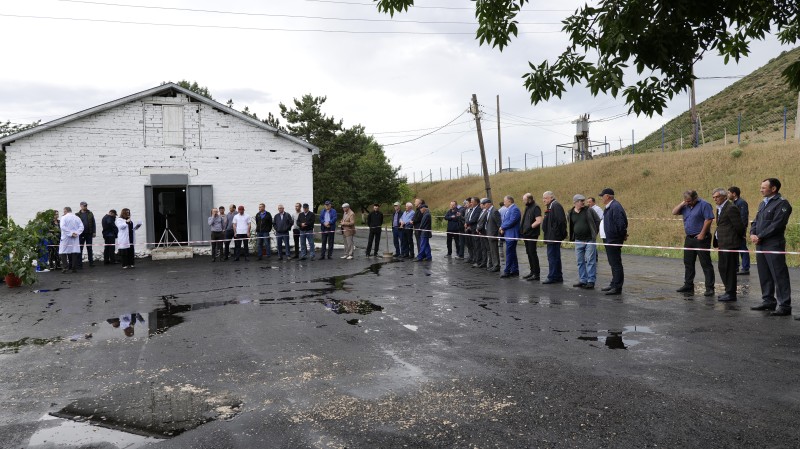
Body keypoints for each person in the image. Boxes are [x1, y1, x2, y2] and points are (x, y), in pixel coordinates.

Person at [749, 178, 793, 317]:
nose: (761, 190)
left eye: (764, 187)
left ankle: (784, 305)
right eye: (761, 187)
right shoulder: (763, 203)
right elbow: (756, 220)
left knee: (779, 274)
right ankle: (768, 301)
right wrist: (752, 233)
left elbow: (777, 224)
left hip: (773, 243)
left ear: (773, 189)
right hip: (761, 243)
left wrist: (760, 235)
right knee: (764, 273)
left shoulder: (782, 204)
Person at [673, 190, 715, 296]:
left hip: (702, 238)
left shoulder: (704, 205)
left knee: (705, 263)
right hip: (689, 238)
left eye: (690, 201)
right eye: (686, 201)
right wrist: (683, 203)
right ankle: (688, 285)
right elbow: (674, 212)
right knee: (688, 262)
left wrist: (702, 234)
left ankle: (710, 288)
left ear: (696, 198)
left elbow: (709, 219)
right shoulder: (685, 205)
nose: (688, 203)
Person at [711, 188, 744, 302]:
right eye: (714, 197)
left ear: (724, 196)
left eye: (717, 197)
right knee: (722, 268)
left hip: (730, 244)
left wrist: (738, 239)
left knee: (729, 269)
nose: (715, 199)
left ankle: (731, 293)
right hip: (722, 243)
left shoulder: (730, 208)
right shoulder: (719, 208)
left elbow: (739, 226)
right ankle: (728, 290)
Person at [568, 194, 601, 289]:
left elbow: (598, 221)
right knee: (580, 261)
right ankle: (583, 280)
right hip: (578, 240)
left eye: (583, 200)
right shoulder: (570, 213)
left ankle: (591, 281)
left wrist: (594, 233)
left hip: (589, 240)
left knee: (590, 261)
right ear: (575, 202)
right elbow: (571, 225)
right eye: (581, 201)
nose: (583, 202)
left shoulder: (589, 210)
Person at [598, 188, 628, 295]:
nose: (601, 198)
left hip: (613, 239)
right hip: (608, 238)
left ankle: (617, 287)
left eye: (602, 196)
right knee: (612, 263)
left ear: (608, 196)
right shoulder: (610, 206)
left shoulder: (615, 206)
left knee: (615, 263)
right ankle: (614, 283)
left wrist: (621, 236)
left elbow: (621, 224)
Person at [541, 191, 567, 284]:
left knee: (553, 257)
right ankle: (557, 276)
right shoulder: (551, 206)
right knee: (554, 257)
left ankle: (552, 276)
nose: (543, 200)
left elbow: (561, 221)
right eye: (543, 198)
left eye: (545, 198)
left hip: (553, 237)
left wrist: (558, 234)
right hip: (551, 236)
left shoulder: (555, 206)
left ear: (551, 198)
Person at [728, 186, 750, 275]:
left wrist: (742, 231)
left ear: (734, 194)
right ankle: (736, 267)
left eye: (729, 193)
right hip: (733, 231)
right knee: (735, 249)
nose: (727, 195)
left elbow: (743, 218)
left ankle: (745, 268)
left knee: (742, 248)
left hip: (740, 231)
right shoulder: (732, 203)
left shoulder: (742, 203)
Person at [520, 193, 543, 281]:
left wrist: (529, 228)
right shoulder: (527, 207)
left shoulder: (536, 207)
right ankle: (532, 272)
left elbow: (539, 221)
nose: (523, 201)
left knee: (532, 253)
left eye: (524, 200)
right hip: (526, 234)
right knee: (529, 253)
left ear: (529, 200)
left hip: (532, 234)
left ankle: (536, 274)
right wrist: (522, 230)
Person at [499, 195, 521, 278]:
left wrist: (502, 227)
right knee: (512, 253)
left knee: (509, 253)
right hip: (508, 234)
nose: (504, 203)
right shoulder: (509, 209)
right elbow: (506, 220)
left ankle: (507, 271)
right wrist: (502, 227)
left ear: (509, 201)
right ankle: (514, 270)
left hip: (512, 234)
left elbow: (512, 221)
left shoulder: (515, 209)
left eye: (505, 201)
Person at [59, 206, 84, 273]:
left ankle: (65, 267)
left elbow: (62, 227)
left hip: (66, 237)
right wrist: (76, 233)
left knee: (62, 251)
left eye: (64, 211)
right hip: (75, 237)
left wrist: (70, 233)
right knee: (74, 251)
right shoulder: (77, 218)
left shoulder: (63, 217)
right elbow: (81, 227)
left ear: (66, 211)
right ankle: (74, 268)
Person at [76, 201, 96, 268]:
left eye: (86, 206)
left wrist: (94, 232)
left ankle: (91, 262)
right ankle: (79, 264)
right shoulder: (77, 214)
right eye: (84, 206)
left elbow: (93, 223)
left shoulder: (90, 213)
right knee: (80, 248)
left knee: (89, 248)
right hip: (81, 234)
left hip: (89, 233)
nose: (85, 207)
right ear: (81, 206)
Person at [484, 198, 502, 273]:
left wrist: (498, 235)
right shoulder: (488, 211)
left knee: (494, 250)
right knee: (492, 250)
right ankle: (494, 265)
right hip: (489, 233)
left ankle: (496, 265)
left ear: (489, 203)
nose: (484, 206)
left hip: (493, 234)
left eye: (485, 204)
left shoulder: (494, 211)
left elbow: (499, 224)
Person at [473, 199, 489, 269]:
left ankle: (486, 262)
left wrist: (479, 229)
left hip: (484, 232)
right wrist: (478, 228)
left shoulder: (486, 212)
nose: (480, 205)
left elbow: (484, 222)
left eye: (482, 204)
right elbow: (479, 222)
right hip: (480, 232)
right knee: (482, 248)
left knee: (486, 248)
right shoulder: (482, 211)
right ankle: (483, 262)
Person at [465, 197, 481, 264]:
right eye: (470, 202)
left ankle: (478, 260)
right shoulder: (472, 209)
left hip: (475, 230)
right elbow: (469, 218)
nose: (471, 203)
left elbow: (475, 219)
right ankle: (473, 258)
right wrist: (467, 224)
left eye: (472, 202)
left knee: (477, 246)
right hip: (470, 229)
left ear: (476, 202)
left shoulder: (478, 209)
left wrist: (467, 223)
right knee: (471, 245)